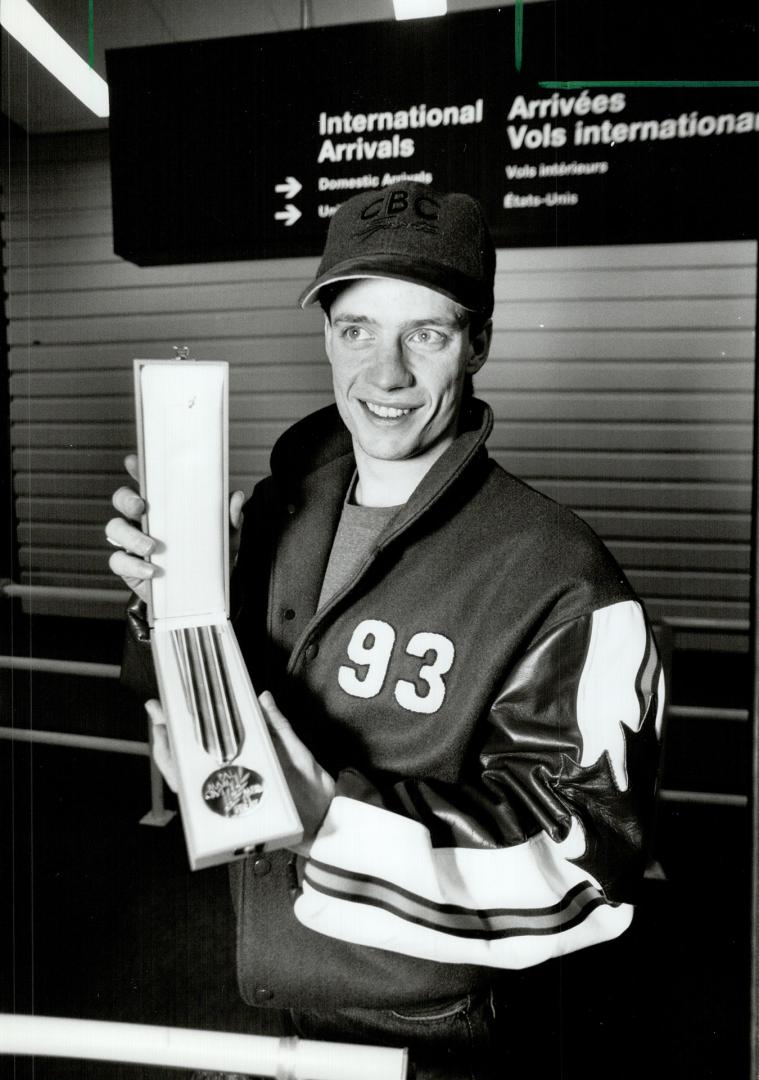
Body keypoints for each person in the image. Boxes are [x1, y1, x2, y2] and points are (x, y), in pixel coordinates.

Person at [106, 183, 664, 1080]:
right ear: (327, 334)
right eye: (356, 328)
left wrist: (328, 817)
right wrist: (167, 605)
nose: (386, 373)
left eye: (426, 333)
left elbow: (579, 867)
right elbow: (186, 703)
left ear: (477, 341)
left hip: (424, 1025)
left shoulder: (563, 573)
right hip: (253, 976)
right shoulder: (286, 502)